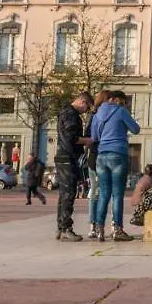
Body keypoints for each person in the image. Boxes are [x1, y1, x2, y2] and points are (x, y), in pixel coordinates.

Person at [90, 90, 141, 242]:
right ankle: (117, 230)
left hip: (101, 155)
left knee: (104, 194)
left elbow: (94, 137)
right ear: (113, 99)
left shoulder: (97, 114)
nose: (122, 103)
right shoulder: (120, 111)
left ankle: (99, 229)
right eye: (120, 100)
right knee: (117, 194)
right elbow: (136, 129)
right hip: (118, 154)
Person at [55, 91, 93, 242]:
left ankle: (61, 227)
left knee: (64, 193)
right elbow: (72, 138)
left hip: (63, 156)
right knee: (69, 193)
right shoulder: (71, 115)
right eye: (86, 109)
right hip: (68, 156)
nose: (85, 112)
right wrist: (87, 140)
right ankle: (66, 228)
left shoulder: (65, 112)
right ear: (82, 102)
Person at [84, 90, 110, 239]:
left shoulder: (93, 116)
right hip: (100, 155)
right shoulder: (102, 115)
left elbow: (88, 136)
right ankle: (97, 225)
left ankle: (94, 226)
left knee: (95, 192)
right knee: (101, 192)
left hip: (95, 156)